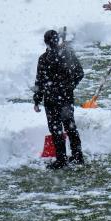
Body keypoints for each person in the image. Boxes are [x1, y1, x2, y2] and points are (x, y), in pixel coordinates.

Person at [33, 29, 85, 169]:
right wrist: (69, 87)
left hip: (51, 100)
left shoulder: (43, 59)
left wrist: (37, 100)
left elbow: (40, 82)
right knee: (70, 127)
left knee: (56, 130)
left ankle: (61, 159)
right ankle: (77, 156)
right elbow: (80, 73)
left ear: (46, 42)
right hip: (66, 98)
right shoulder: (67, 54)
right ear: (57, 40)